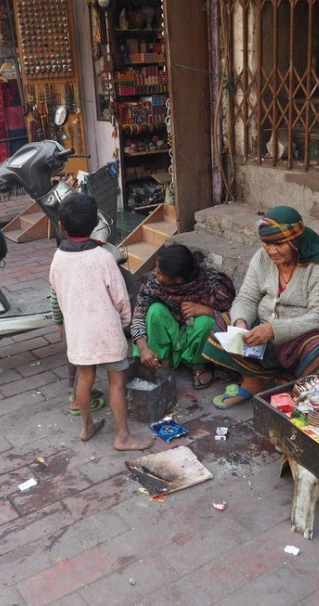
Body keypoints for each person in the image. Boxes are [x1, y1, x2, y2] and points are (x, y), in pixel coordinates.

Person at [203, 205, 319, 408]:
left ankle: (299, 393)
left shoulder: (318, 269)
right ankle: (253, 383)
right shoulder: (262, 258)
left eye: (279, 244)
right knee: (224, 323)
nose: (271, 251)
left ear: (295, 242)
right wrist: (241, 323)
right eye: (266, 244)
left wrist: (273, 330)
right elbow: (246, 297)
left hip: (299, 336)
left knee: (317, 348)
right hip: (263, 329)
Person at [49, 192, 154, 451]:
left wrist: (62, 322)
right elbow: (120, 298)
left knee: (84, 378)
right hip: (108, 332)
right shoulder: (103, 257)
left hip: (79, 333)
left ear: (61, 226)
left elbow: (56, 293)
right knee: (116, 382)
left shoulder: (58, 259)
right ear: (96, 221)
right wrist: (127, 322)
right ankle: (123, 437)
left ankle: (86, 427)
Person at [132, 244, 236, 389]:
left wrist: (208, 311)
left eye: (161, 273)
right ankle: (162, 360)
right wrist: (143, 348)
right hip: (172, 332)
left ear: (179, 280)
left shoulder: (213, 285)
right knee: (155, 310)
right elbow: (138, 316)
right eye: (156, 269)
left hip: (194, 338)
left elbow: (235, 317)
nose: (155, 274)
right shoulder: (154, 284)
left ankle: (197, 364)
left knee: (205, 322)